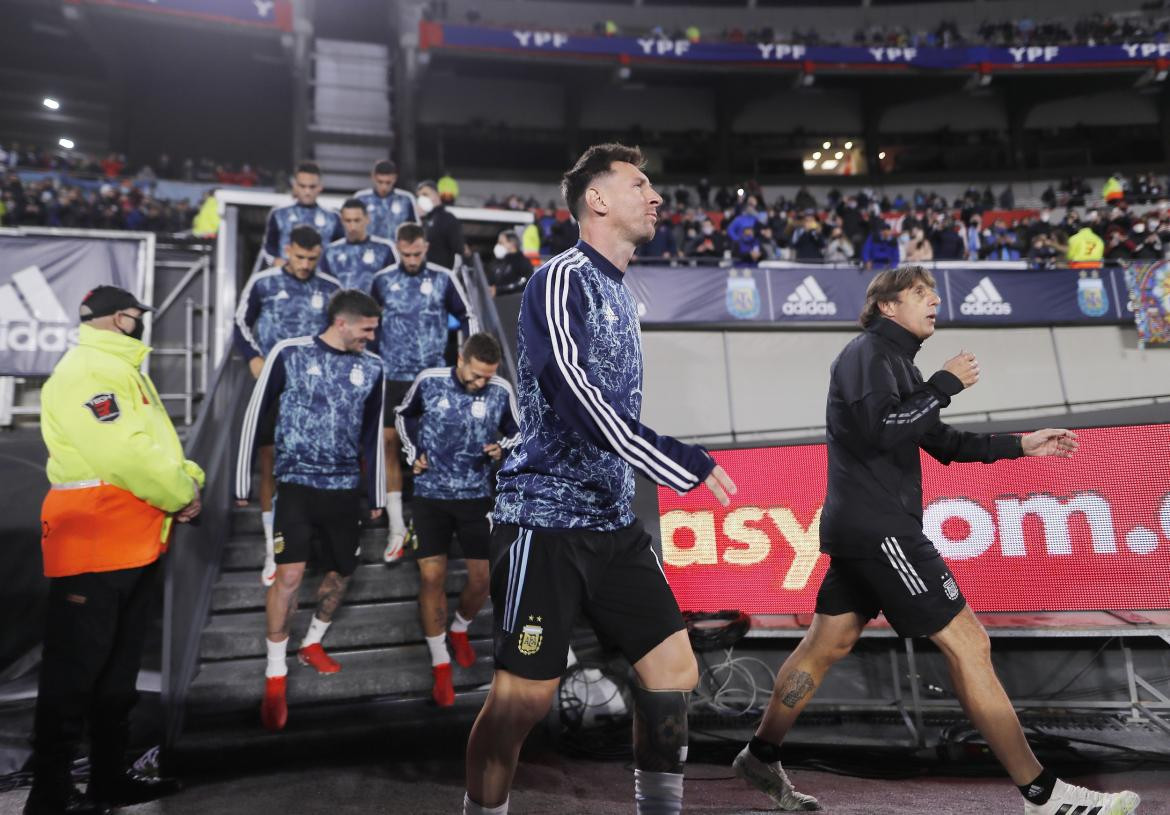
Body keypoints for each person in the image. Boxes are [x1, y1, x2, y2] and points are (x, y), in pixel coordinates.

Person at [732, 266, 1140, 815]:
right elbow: (884, 428)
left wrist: (1023, 444)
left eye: (934, 293)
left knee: (826, 644)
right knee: (969, 644)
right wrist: (944, 385)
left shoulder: (897, 363)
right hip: (882, 530)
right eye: (921, 294)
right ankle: (1044, 796)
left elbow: (941, 441)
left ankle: (760, 754)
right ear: (887, 307)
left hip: (863, 528)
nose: (935, 301)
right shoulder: (868, 355)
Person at [462, 144, 737, 815]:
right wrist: (678, 461)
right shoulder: (559, 279)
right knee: (523, 700)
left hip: (612, 525)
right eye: (640, 184)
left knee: (673, 671)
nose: (656, 197)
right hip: (544, 521)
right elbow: (574, 395)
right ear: (598, 199)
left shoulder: (621, 291)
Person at [30, 286, 203, 814]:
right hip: (94, 540)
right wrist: (182, 493)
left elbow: (155, 445)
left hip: (129, 540)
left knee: (115, 677)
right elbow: (124, 450)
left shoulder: (117, 368)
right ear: (123, 319)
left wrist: (186, 480)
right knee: (73, 676)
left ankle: (107, 780)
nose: (140, 324)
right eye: (136, 316)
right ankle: (51, 794)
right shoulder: (89, 370)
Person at [235, 290, 386, 732]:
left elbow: (374, 435)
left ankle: (313, 642)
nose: (372, 336)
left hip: (343, 491)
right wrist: (241, 480)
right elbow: (256, 413)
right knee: (290, 576)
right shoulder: (289, 353)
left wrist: (376, 494)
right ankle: (275, 674)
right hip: (297, 485)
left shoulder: (373, 366)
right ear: (343, 323)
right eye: (367, 329)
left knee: (341, 574)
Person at [394, 333, 520, 706]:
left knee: (482, 579)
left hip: (476, 497)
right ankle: (440, 664)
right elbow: (404, 416)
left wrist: (503, 447)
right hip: (430, 496)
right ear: (461, 359)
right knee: (432, 576)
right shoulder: (429, 380)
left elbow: (519, 431)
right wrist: (413, 451)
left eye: (487, 376)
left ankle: (461, 629)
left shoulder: (499, 388)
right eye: (476, 375)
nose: (481, 382)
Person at [234, 226, 342, 586]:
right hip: (273, 388)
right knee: (270, 464)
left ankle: (308, 541)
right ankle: (271, 547)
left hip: (316, 395)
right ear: (287, 250)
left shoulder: (330, 287)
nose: (305, 264)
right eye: (299, 257)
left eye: (312, 258)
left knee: (309, 465)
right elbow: (240, 322)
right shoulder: (264, 282)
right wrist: (252, 356)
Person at [371, 222, 479, 562]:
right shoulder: (382, 280)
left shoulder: (444, 278)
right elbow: (368, 325)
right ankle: (396, 525)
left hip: (431, 378)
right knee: (389, 444)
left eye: (417, 253)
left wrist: (466, 356)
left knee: (430, 448)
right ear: (397, 249)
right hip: (392, 376)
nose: (412, 259)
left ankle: (423, 521)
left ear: (426, 247)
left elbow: (467, 315)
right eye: (406, 254)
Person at [259, 161, 342, 268]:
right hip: (286, 280)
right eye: (303, 186)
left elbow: (341, 251)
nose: (307, 191)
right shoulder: (279, 214)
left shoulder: (333, 218)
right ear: (295, 185)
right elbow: (267, 250)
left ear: (320, 187)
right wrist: (275, 261)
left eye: (312, 187)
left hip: (320, 280)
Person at [320, 198, 397, 292]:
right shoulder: (330, 252)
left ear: (367, 219)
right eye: (348, 221)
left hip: (372, 305)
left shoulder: (384, 249)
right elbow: (324, 285)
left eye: (357, 220)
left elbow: (391, 282)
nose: (353, 227)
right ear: (342, 221)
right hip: (340, 305)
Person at [353, 159, 418, 242]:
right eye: (380, 182)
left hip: (397, 251)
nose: (384, 187)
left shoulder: (406, 199)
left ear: (394, 178)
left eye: (388, 183)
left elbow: (415, 230)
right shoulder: (361, 198)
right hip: (368, 251)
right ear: (373, 177)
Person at [416, 179, 466, 270]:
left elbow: (458, 251)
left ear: (437, 195)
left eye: (425, 194)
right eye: (419, 196)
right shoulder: (421, 221)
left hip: (441, 275)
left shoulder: (448, 219)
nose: (421, 199)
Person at [489, 230, 531, 295]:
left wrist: (499, 290)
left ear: (512, 243)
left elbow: (524, 282)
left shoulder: (522, 261)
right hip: (498, 302)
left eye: (501, 242)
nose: (498, 245)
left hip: (514, 301)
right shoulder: (499, 262)